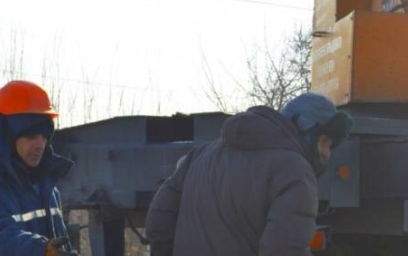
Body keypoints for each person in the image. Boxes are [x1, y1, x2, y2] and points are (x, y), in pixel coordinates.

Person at [145, 92, 353, 256]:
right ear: (305, 128)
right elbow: (283, 249)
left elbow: (159, 219)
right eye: (324, 141)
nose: (327, 153)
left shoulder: (201, 155)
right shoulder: (294, 170)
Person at [0, 80, 76, 256]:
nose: (40, 145)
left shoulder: (49, 188)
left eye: (44, 136)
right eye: (31, 136)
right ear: (7, 138)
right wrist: (40, 250)